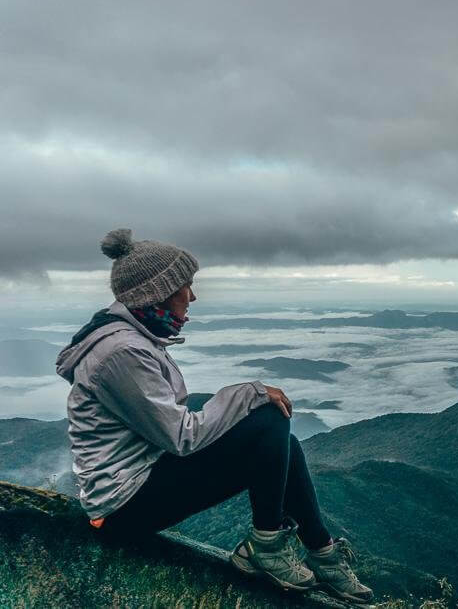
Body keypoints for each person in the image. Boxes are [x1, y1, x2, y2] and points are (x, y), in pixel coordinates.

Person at [57, 228, 373, 603]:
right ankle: (266, 547)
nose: (192, 297)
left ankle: (323, 554)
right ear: (156, 293)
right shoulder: (121, 352)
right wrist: (249, 393)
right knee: (268, 419)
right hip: (122, 508)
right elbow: (181, 436)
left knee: (281, 441)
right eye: (185, 287)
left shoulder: (132, 339)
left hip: (139, 485)